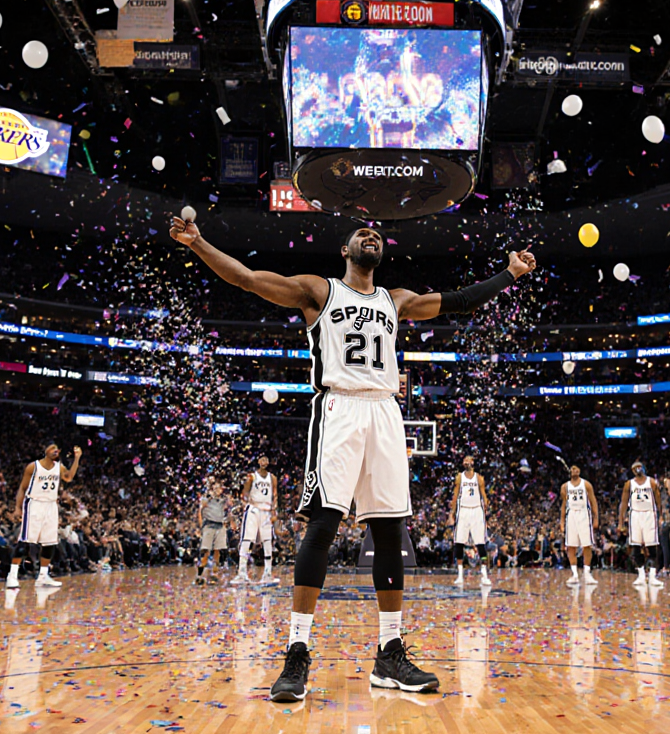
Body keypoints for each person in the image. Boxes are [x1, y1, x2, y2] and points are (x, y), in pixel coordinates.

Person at [171, 214, 536, 702]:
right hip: (339, 406)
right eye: (361, 234)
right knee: (323, 525)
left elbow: (460, 301)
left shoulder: (396, 300)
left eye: (377, 235)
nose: (371, 235)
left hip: (386, 413)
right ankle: (297, 651)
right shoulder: (318, 292)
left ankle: (389, 653)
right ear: (345, 250)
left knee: (389, 530)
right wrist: (199, 244)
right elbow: (247, 278)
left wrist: (510, 274)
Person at [8, 442, 82, 589]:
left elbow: (68, 477)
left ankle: (43, 576)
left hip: (51, 505)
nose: (56, 451)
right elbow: (22, 488)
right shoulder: (33, 467)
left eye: (58, 448)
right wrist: (18, 508)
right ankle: (12, 575)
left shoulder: (59, 467)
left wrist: (77, 459)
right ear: (45, 449)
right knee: (25, 540)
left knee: (49, 542)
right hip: (34, 504)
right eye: (53, 448)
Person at [232, 455, 280, 585]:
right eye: (262, 459)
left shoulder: (272, 478)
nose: (264, 461)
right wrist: (246, 503)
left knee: (267, 541)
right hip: (253, 510)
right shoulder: (251, 477)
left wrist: (274, 511)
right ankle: (241, 573)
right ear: (258, 461)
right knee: (248, 539)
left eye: (266, 459)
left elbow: (275, 496)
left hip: (266, 511)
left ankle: (268, 573)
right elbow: (244, 493)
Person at [618, 461, 663, 587]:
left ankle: (653, 576)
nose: (638, 469)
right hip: (635, 514)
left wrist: (661, 515)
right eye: (635, 468)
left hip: (649, 513)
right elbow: (623, 502)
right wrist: (621, 521)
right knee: (636, 545)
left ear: (643, 468)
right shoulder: (629, 484)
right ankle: (641, 575)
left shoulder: (652, 482)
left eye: (639, 467)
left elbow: (658, 500)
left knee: (652, 545)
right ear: (632, 471)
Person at [451, 455, 491, 588]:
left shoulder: (479, 478)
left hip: (476, 511)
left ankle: (484, 575)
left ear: (473, 463)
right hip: (463, 510)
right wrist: (452, 513)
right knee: (459, 542)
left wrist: (485, 510)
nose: (466, 462)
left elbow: (484, 495)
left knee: (480, 543)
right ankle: (460, 575)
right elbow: (455, 495)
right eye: (465, 460)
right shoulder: (459, 477)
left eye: (469, 460)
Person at [560, 466, 598, 587]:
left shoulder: (586, 484)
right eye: (572, 469)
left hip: (583, 513)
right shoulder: (565, 487)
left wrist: (596, 518)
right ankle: (574, 574)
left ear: (580, 471)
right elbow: (563, 504)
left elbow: (593, 501)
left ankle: (587, 573)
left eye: (577, 469)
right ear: (569, 471)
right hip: (571, 514)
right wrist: (562, 521)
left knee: (587, 544)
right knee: (571, 546)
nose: (575, 471)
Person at [196, 481, 229, 585]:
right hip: (209, 525)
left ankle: (214, 575)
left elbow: (229, 509)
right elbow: (200, 511)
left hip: (220, 526)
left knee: (217, 551)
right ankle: (200, 575)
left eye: (219, 488)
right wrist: (202, 527)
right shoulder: (206, 498)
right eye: (216, 487)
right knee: (205, 551)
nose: (218, 489)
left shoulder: (223, 500)